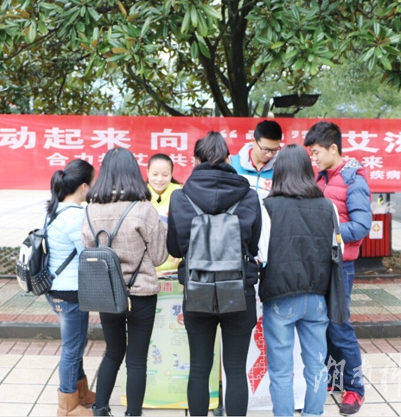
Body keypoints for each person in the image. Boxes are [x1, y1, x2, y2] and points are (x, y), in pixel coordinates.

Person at [166, 131, 262, 416]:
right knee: (235, 369)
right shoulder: (249, 196)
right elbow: (253, 246)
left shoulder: (180, 197)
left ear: (195, 161)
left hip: (197, 290)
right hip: (239, 292)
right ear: (229, 160)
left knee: (199, 368)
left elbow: (174, 247)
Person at [82, 148, 168, 417]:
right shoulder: (144, 209)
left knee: (112, 351)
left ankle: (100, 409)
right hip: (141, 293)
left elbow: (89, 252)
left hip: (108, 294)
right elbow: (159, 257)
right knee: (137, 358)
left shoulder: (90, 210)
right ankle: (132, 413)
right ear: (134, 172)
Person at [258, 144, 342, 417]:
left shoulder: (267, 206)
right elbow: (337, 250)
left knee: (281, 369)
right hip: (317, 297)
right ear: (308, 170)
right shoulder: (327, 206)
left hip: (279, 296)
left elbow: (261, 253)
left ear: (279, 171)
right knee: (316, 365)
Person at [304, 121, 372, 416]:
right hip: (321, 262)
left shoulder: (353, 180)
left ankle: (355, 389)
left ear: (333, 148)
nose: (314, 158)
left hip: (341, 265)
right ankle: (334, 377)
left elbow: (361, 226)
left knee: (339, 325)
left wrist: (325, 233)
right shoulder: (321, 178)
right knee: (324, 324)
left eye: (316, 152)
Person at [45, 159, 96, 416]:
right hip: (69, 291)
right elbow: (88, 254)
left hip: (55, 287)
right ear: (84, 186)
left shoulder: (55, 209)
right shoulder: (75, 216)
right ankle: (68, 405)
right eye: (93, 183)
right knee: (72, 348)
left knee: (76, 343)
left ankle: (81, 393)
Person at [146, 153, 182, 276]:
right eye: (155, 174)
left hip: (175, 267)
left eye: (165, 175)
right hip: (147, 268)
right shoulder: (139, 195)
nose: (159, 179)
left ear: (172, 174)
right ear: (147, 172)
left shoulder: (181, 194)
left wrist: (182, 249)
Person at [230, 120, 282, 198]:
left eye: (274, 150)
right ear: (253, 141)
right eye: (265, 149)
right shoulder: (233, 164)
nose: (269, 155)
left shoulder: (281, 168)